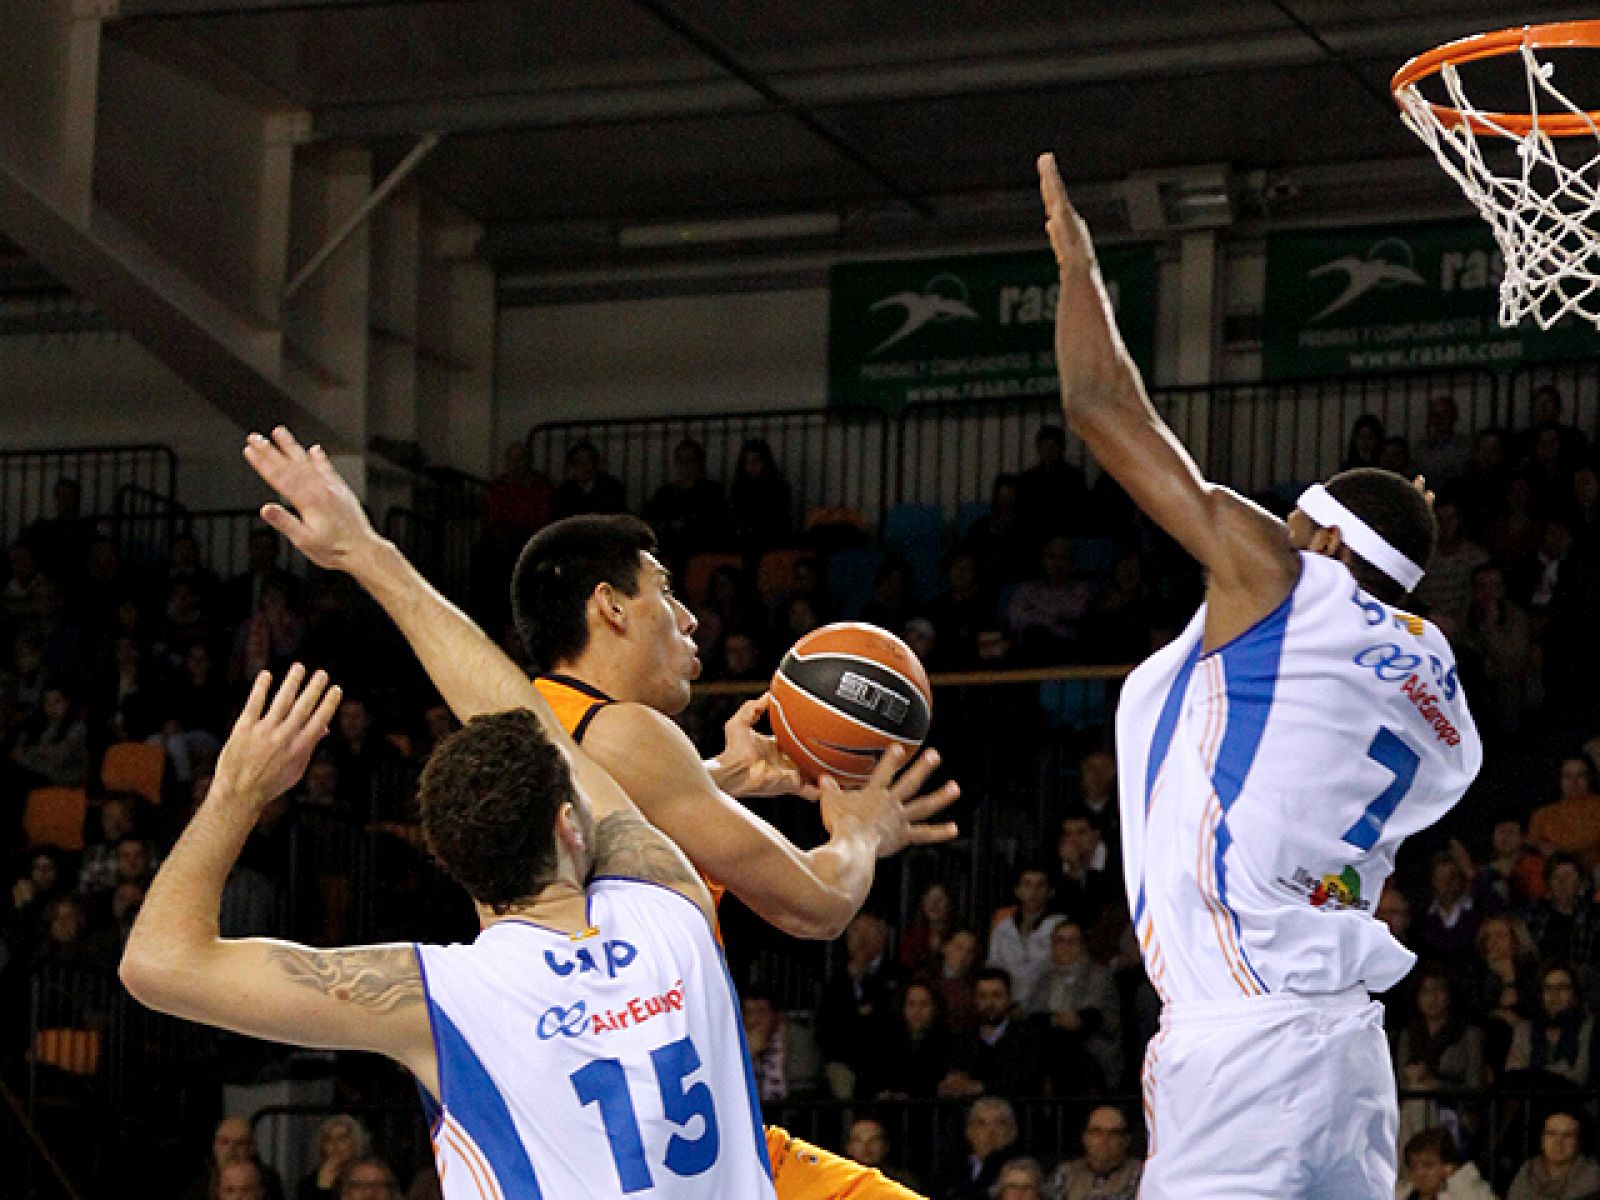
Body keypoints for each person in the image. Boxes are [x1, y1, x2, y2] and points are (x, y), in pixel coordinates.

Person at [242, 429, 956, 1200]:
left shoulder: (550, 730)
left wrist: (719, 780)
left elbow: (608, 807)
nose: (686, 620)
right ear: (611, 607)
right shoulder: (631, 733)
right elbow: (816, 906)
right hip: (669, 1120)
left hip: (585, 1109)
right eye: (666, 592)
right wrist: (863, 833)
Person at [1038, 153, 1482, 1199]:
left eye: (1288, 523)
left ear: (1317, 544)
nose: (1263, 536)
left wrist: (1077, 270)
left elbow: (1101, 405)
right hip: (1344, 1052)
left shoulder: (1285, 584)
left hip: (1244, 1036)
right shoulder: (1437, 684)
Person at [122, 666, 780, 1199]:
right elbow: (616, 800)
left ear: (454, 863)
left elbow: (156, 963)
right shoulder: (672, 903)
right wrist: (727, 780)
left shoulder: (439, 998)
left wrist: (235, 791)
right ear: (568, 827)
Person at [1045, 1105, 1141, 1200]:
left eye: (1114, 1133)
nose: (1105, 1139)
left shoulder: (1141, 1174)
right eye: (1097, 1132)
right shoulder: (1065, 1175)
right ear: (1085, 1138)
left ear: (1126, 1141)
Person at [931, 1098, 1018, 1200]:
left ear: (1012, 1132)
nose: (990, 1132)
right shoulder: (951, 1168)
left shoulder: (1019, 1170)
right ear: (969, 1132)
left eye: (999, 1124)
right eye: (982, 1124)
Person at [1506, 1111, 1600, 1200]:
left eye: (1568, 1135)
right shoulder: (1527, 1172)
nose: (1558, 1142)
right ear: (1542, 1139)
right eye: (1551, 1134)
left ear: (1579, 1142)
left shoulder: (1594, 1179)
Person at [1529, 756, 1600, 868]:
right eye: (1568, 776)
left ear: (1590, 778)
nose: (1574, 782)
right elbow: (1532, 847)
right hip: (1557, 875)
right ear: (1559, 780)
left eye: (1580, 775)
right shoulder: (1543, 815)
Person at [1398, 1129, 1495, 1200]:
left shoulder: (1467, 1191)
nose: (1419, 1173)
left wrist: (1456, 1179)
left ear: (1448, 1166)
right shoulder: (1401, 1193)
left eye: (1428, 1165)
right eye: (1413, 1166)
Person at [298, 1115, 371, 1200]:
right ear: (322, 1147)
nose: (335, 1145)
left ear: (355, 1144)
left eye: (342, 1138)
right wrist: (323, 1187)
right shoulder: (308, 1184)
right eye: (328, 1140)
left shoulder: (370, 1176)